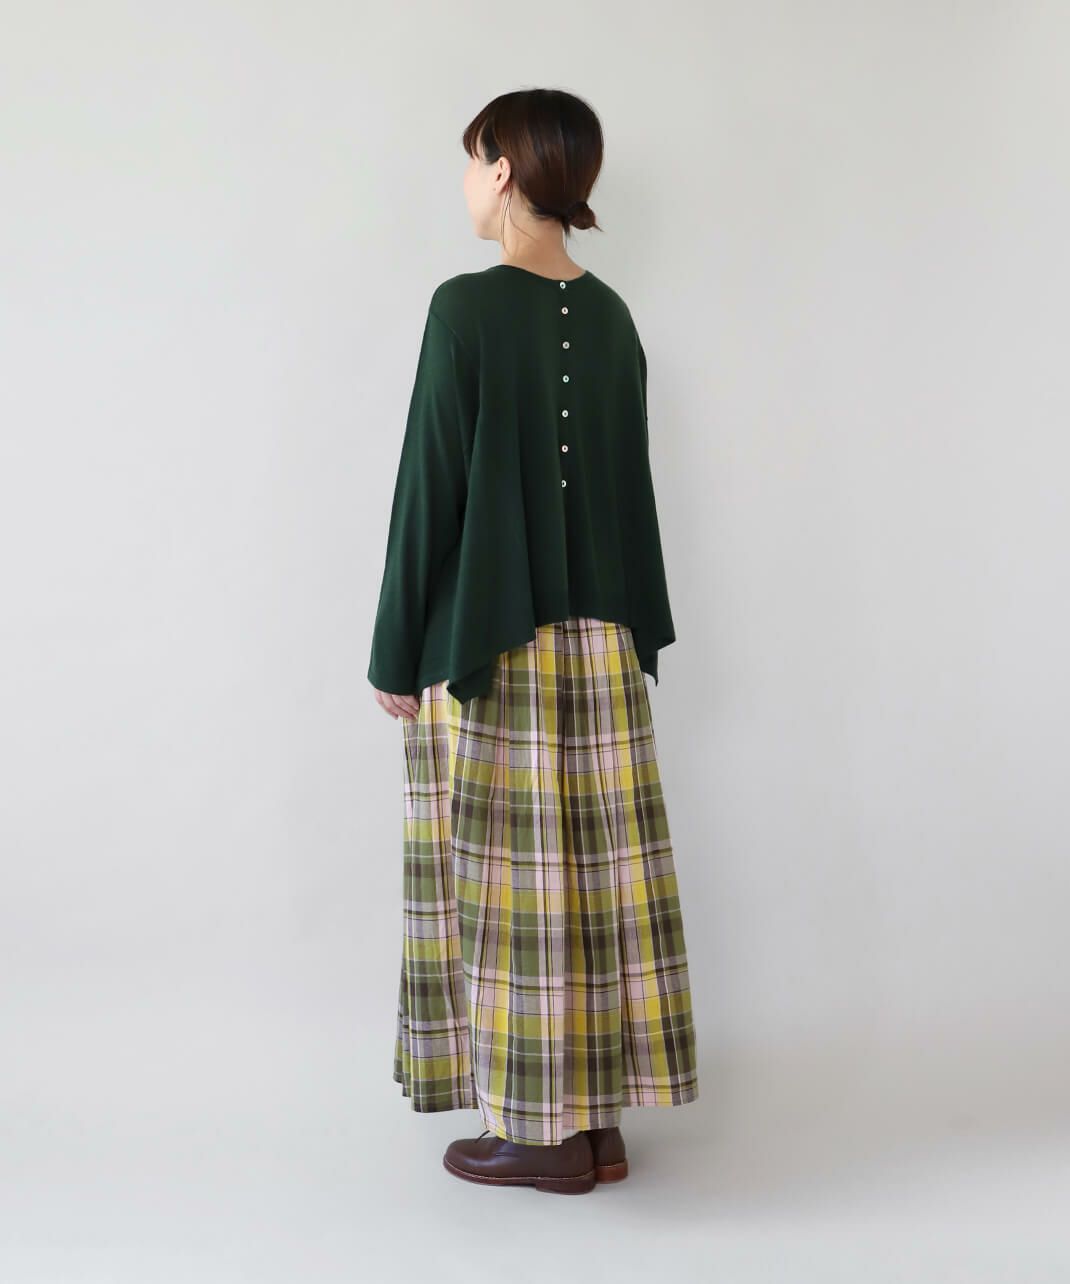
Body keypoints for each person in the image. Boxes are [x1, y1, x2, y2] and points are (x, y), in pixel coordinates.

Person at [367, 88, 699, 1195]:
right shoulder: (612, 317)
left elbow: (430, 492)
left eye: (474, 161)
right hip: (601, 647)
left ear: (504, 169)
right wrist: (637, 638)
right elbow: (632, 494)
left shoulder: (462, 308)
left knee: (513, 898)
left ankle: (534, 1137)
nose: (467, 182)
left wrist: (394, 653)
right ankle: (596, 1126)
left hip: (490, 647)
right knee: (594, 884)